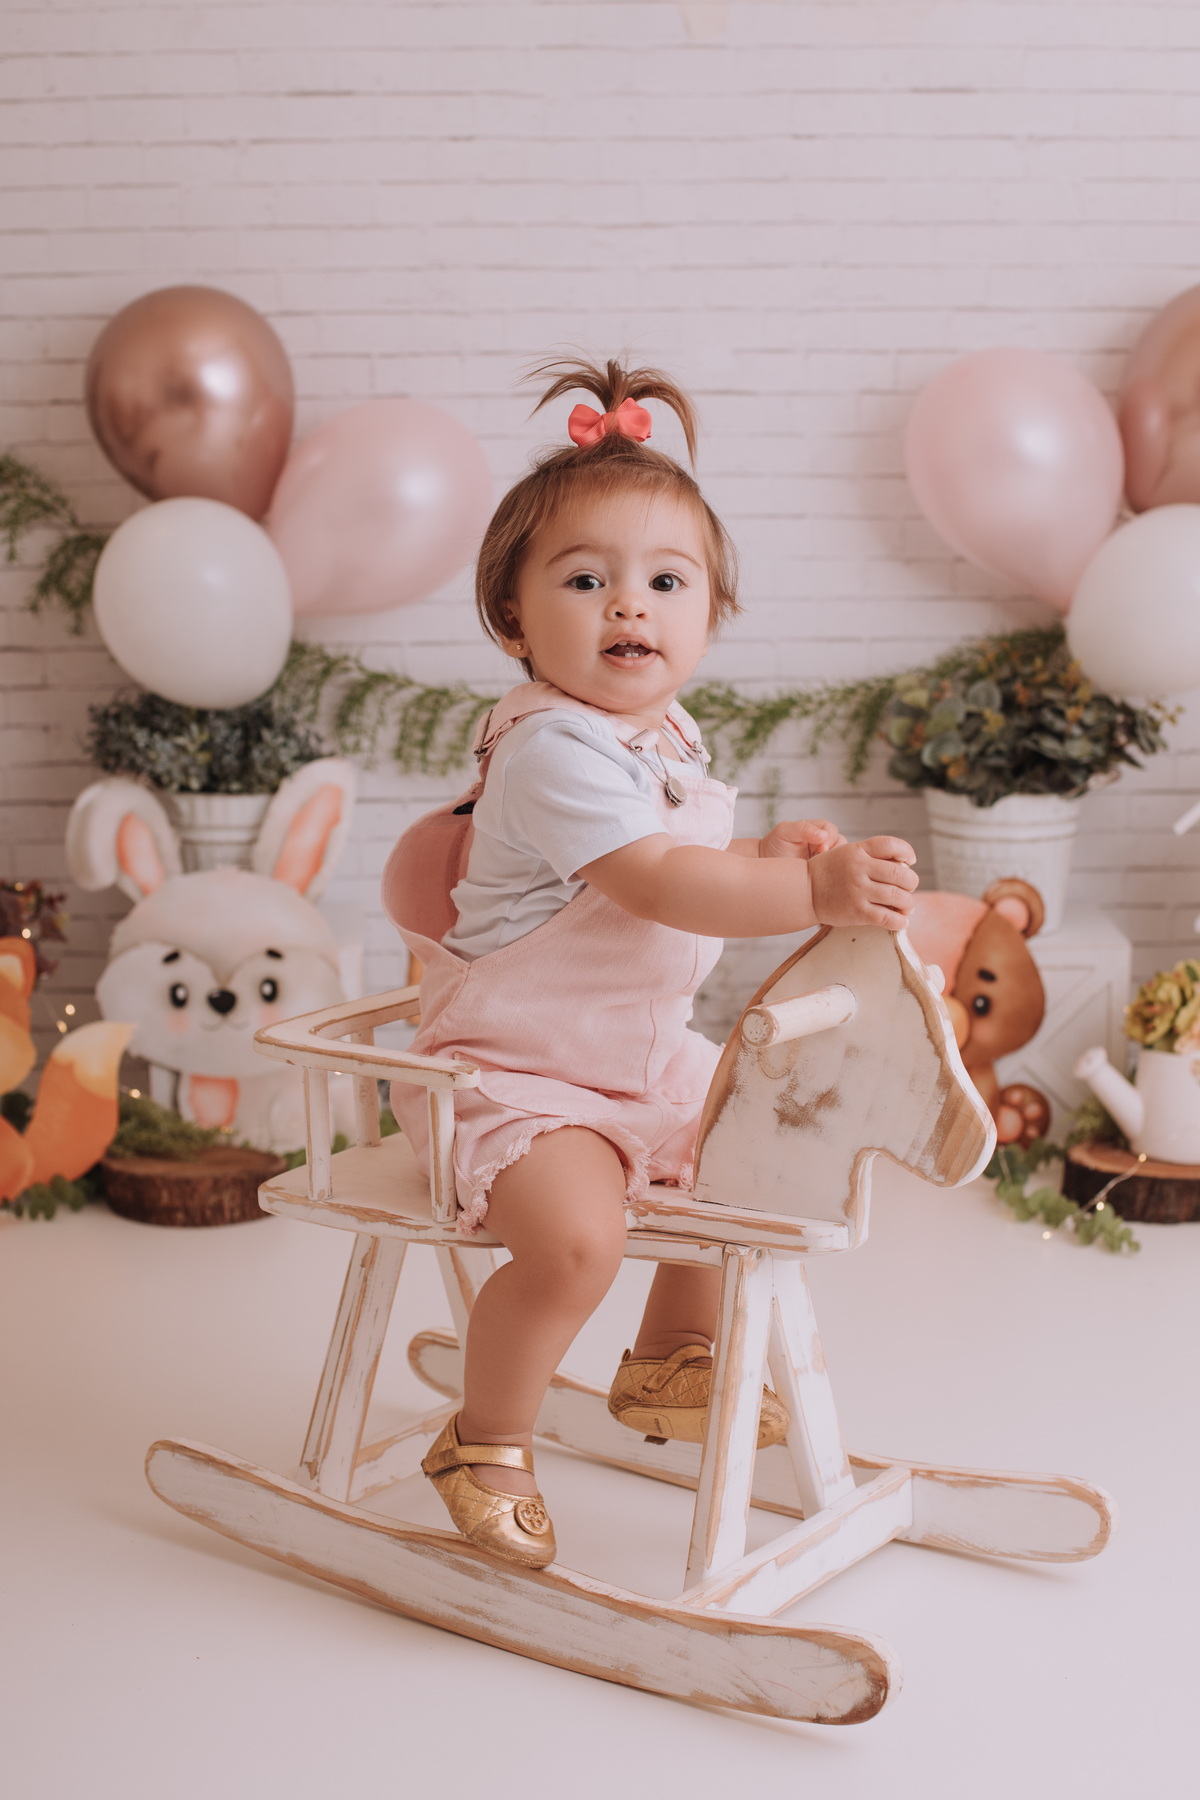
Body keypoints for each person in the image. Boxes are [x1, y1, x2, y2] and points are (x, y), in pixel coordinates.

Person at [384, 357, 918, 1568]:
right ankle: (485, 1439)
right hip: (514, 1074)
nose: (630, 606)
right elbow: (660, 883)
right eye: (587, 580)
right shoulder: (551, 751)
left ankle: (672, 1353)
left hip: (632, 1057)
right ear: (514, 619)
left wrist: (764, 858)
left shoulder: (661, 737)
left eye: (666, 582)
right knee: (578, 1242)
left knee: (754, 1134)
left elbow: (687, 860)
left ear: (709, 614)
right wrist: (810, 892)